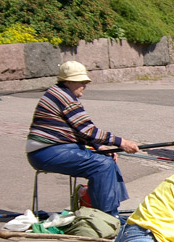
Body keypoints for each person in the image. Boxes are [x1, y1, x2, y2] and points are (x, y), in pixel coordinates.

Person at [26, 61, 139, 219]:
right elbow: (88, 130)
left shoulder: (60, 93)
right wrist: (122, 142)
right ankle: (106, 217)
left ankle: (110, 209)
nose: (85, 85)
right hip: (46, 152)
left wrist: (99, 147)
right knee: (102, 165)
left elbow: (79, 131)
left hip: (56, 149)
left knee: (106, 159)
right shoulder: (65, 98)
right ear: (69, 81)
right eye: (82, 82)